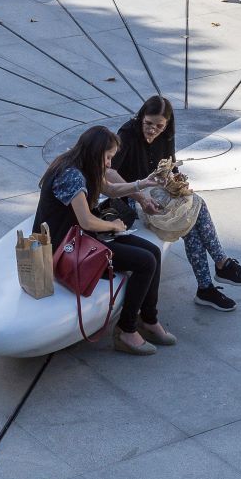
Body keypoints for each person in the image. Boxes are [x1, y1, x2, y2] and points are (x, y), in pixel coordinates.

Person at [106, 95, 241, 312]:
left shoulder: (166, 135)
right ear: (141, 118)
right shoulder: (128, 134)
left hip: (157, 192)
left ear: (166, 124)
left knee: (192, 209)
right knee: (193, 211)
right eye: (148, 124)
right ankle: (218, 269)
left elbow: (170, 167)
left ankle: (209, 284)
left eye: (159, 126)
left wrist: (179, 184)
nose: (152, 130)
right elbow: (109, 172)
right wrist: (139, 194)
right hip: (131, 198)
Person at [33, 125, 174, 356]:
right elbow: (87, 221)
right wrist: (114, 226)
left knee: (153, 253)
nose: (109, 164)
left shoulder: (79, 163)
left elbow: (109, 188)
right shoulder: (71, 174)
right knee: (145, 262)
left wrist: (142, 184)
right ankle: (126, 331)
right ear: (95, 152)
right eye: (108, 157)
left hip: (79, 239)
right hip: (64, 249)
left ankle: (148, 320)